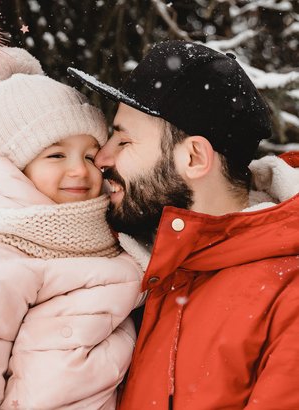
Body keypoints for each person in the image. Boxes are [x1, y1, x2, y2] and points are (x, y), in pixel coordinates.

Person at [68, 40, 299, 409]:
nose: (103, 157)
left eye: (124, 141)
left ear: (193, 158)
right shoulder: (133, 272)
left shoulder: (288, 300)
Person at [0, 46, 144, 409]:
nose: (79, 170)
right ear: (14, 166)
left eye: (89, 155)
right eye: (55, 155)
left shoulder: (115, 240)